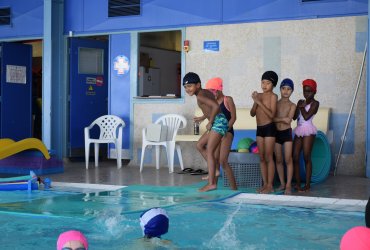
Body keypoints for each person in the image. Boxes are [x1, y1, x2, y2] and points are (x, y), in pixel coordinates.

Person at [183, 72, 229, 192]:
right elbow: (210, 107)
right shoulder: (205, 92)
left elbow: (215, 107)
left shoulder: (200, 96)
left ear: (198, 85)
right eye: (185, 87)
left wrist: (211, 121)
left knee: (209, 150)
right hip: (218, 121)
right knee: (199, 145)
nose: (187, 89)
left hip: (218, 123)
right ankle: (215, 171)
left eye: (190, 86)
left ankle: (212, 183)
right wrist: (203, 117)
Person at [194, 77, 237, 190]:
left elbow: (233, 118)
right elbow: (210, 112)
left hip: (227, 132)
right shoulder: (213, 100)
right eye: (209, 91)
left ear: (219, 90)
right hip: (216, 130)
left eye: (213, 91)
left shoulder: (228, 100)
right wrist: (202, 118)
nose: (211, 93)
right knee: (215, 158)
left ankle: (234, 188)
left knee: (223, 161)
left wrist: (225, 131)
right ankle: (214, 183)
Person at [250, 71, 278, 194]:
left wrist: (259, 101)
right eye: (263, 82)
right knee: (261, 157)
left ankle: (270, 185)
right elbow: (252, 113)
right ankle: (265, 184)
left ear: (273, 85)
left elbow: (272, 115)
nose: (264, 85)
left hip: (269, 128)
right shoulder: (259, 96)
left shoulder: (273, 97)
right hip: (259, 128)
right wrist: (255, 101)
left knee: (268, 156)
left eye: (268, 83)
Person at [292, 79, 320, 192]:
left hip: (308, 129)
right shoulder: (301, 102)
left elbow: (307, 116)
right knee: (295, 156)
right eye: (305, 91)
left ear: (314, 92)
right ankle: (298, 183)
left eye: (309, 91)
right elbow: (294, 117)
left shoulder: (315, 103)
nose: (306, 93)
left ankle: (307, 184)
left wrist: (302, 107)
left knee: (306, 156)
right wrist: (297, 106)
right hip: (299, 129)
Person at [273, 78, 296, 195]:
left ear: (292, 91)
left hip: (286, 133)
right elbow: (272, 118)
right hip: (276, 134)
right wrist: (282, 119)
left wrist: (279, 119)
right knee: (278, 160)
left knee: (288, 159)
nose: (286, 91)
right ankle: (282, 183)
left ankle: (288, 185)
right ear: (280, 89)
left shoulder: (293, 105)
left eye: (289, 89)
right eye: (283, 88)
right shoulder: (275, 104)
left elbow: (289, 120)